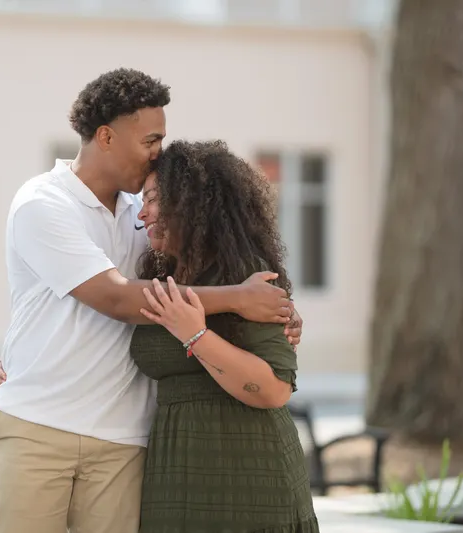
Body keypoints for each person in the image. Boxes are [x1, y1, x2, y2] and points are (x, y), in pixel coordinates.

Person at [0, 68, 303, 533]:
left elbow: (210, 263)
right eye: (150, 140)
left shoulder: (148, 214)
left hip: (123, 440)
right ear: (106, 136)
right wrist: (239, 298)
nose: (158, 152)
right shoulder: (43, 203)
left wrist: (276, 309)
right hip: (38, 427)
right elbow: (116, 297)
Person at [131, 140, 318, 532]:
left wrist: (195, 335)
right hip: (174, 476)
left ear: (189, 203)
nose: (142, 212)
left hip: (251, 480)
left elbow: (275, 389)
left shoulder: (245, 274)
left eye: (152, 199)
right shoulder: (163, 277)